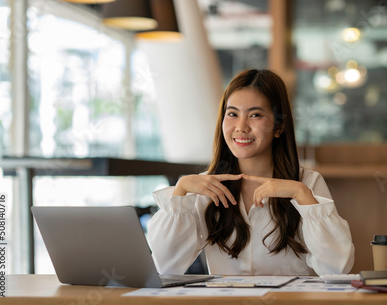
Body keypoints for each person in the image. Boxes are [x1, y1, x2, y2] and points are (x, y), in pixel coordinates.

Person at [148, 69, 354, 276]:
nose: (241, 127)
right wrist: (180, 191)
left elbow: (337, 268)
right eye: (232, 114)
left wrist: (302, 195)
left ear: (279, 127)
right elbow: (165, 266)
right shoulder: (204, 188)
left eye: (255, 115)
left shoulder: (307, 183)